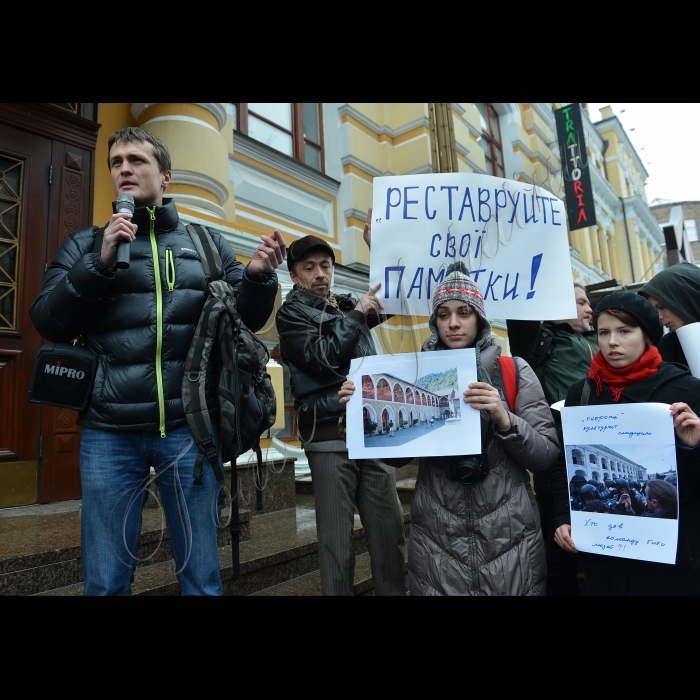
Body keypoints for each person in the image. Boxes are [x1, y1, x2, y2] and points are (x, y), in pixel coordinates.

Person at [30, 127, 284, 596]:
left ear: (165, 176)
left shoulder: (206, 243)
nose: (124, 168)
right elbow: (49, 321)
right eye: (116, 162)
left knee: (201, 580)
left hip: (189, 432)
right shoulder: (86, 244)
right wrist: (99, 262)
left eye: (136, 160)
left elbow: (247, 317)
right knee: (106, 583)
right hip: (109, 433)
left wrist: (258, 277)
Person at [340, 262, 560, 595]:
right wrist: (360, 412)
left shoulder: (513, 370)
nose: (453, 323)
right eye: (443, 315)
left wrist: (505, 418)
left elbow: (545, 455)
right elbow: (397, 458)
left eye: (464, 312)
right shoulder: (412, 372)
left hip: (508, 537)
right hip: (438, 539)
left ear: (480, 319)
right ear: (434, 321)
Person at [275, 213, 406, 596]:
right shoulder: (290, 314)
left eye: (326, 266)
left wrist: (377, 249)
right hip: (329, 437)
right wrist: (358, 314)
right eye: (309, 267)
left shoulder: (346, 304)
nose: (320, 274)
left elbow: (398, 294)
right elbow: (324, 357)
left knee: (390, 534)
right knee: (337, 546)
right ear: (295, 275)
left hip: (372, 430)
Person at [552, 292, 700, 596]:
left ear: (647, 335)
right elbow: (560, 466)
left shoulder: (685, 388)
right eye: (603, 332)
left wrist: (692, 447)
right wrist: (563, 519)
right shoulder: (581, 392)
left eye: (624, 331)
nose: (612, 342)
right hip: (606, 561)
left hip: (671, 561)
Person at [507, 283, 597, 595]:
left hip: (597, 447)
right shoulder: (542, 341)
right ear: (560, 307)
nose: (589, 309)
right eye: (581, 302)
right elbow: (520, 318)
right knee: (558, 541)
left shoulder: (598, 341)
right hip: (557, 454)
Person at [639, 262, 700, 366]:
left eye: (662, 306)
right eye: (654, 310)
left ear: (686, 299)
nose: (659, 316)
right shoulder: (666, 348)